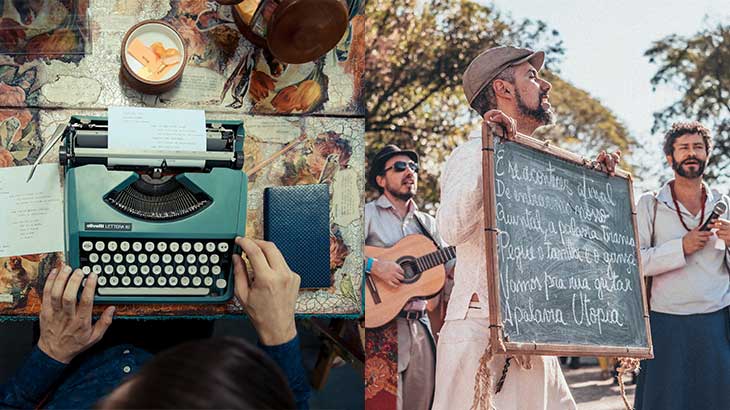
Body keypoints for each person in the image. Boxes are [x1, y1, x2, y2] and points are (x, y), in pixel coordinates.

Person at [433, 45, 620, 410]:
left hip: (537, 330)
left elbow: (569, 252)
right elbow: (451, 228)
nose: (545, 84)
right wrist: (490, 150)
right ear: (503, 89)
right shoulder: (470, 153)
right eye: (531, 76)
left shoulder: (539, 165)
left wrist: (595, 187)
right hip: (480, 334)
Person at [0, 237, 311, 409]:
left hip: (72, 360)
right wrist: (279, 330)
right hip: (176, 349)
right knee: (198, 299)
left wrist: (51, 351)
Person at [633, 121, 730, 410]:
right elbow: (633, 261)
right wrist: (680, 248)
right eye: (684, 148)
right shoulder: (649, 203)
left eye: (698, 147)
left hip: (717, 322)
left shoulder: (724, 202)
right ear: (670, 157)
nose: (691, 153)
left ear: (707, 155)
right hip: (666, 323)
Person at [364, 144, 454, 410]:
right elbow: (336, 251)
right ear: (381, 179)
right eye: (400, 167)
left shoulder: (429, 224)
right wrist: (374, 265)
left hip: (421, 328)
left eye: (413, 167)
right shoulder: (367, 214)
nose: (409, 172)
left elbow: (452, 265)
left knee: (422, 404)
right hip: (380, 327)